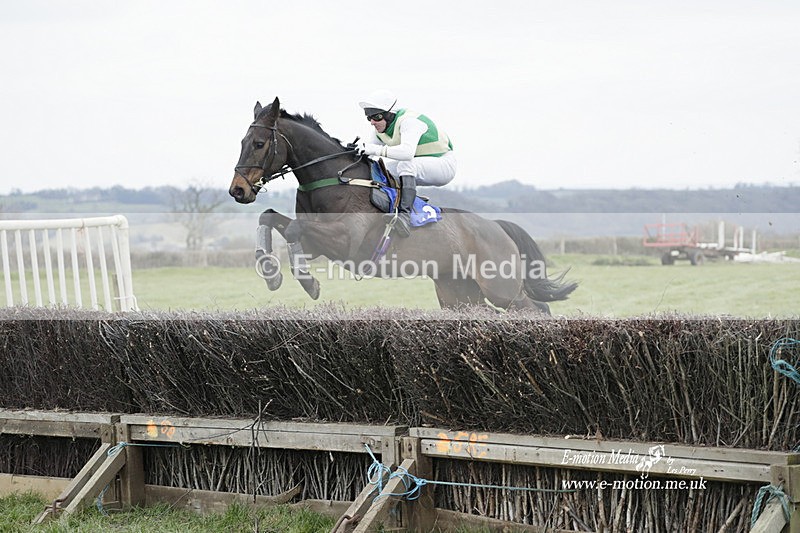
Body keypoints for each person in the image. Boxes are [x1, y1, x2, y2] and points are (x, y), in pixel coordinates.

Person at [355, 89, 456, 237]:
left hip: (444, 164)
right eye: (369, 117)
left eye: (376, 116)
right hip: (422, 164)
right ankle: (400, 204)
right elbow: (370, 154)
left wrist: (374, 149)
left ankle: (404, 215)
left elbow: (406, 153)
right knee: (379, 170)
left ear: (390, 113)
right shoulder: (380, 130)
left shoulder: (409, 122)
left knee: (405, 164)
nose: (372, 122)